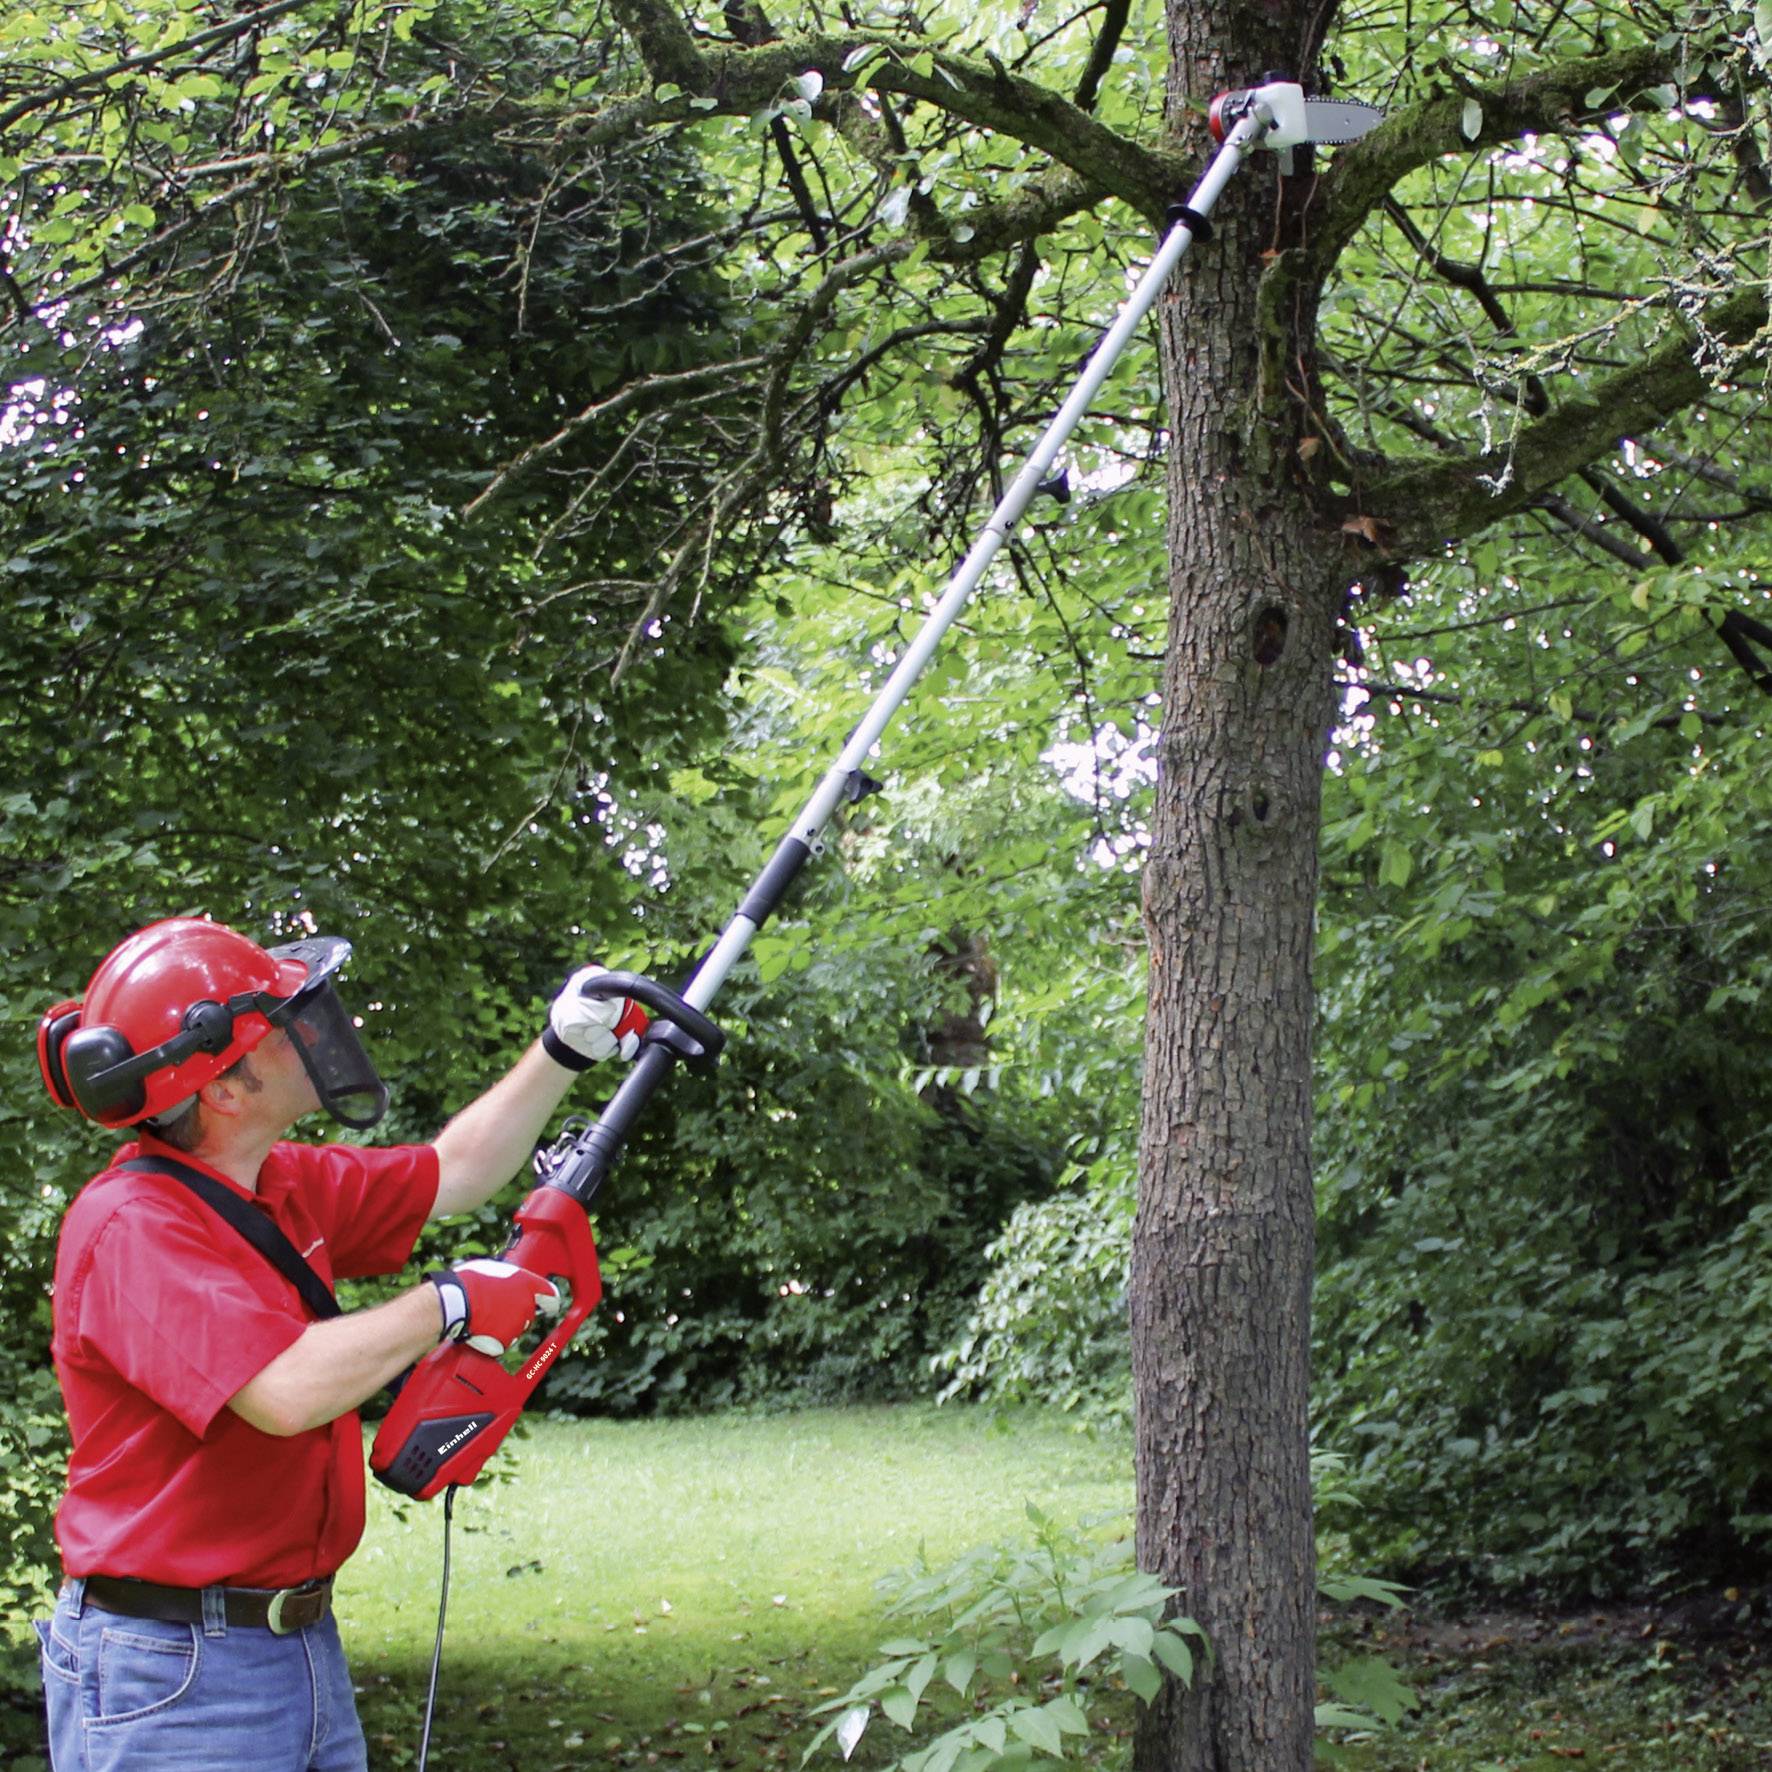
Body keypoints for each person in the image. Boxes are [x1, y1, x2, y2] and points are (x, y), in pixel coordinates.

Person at [31, 916, 647, 1772]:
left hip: (297, 1645)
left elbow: (456, 1170)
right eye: (280, 1023)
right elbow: (285, 1390)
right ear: (224, 1090)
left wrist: (561, 1048)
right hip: (174, 1672)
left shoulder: (282, 1181)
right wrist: (448, 1302)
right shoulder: (131, 1227)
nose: (314, 1030)